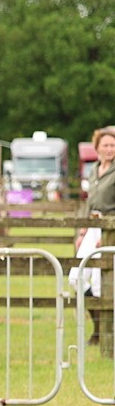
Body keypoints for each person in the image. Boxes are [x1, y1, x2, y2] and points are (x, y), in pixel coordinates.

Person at [80, 127, 115, 345]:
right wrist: (82, 230)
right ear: (97, 148)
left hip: (110, 229)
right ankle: (98, 326)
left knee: (105, 280)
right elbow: (88, 202)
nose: (110, 149)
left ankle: (106, 333)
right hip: (92, 227)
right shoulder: (93, 170)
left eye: (113, 145)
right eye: (106, 145)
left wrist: (109, 233)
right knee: (79, 276)